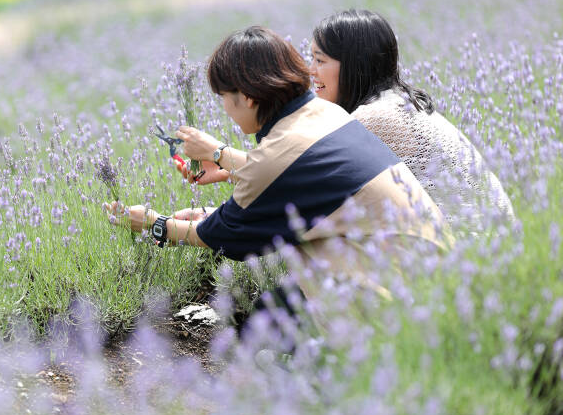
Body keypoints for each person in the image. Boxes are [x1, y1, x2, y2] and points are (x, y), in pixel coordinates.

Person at [103, 26, 450, 302]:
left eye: (224, 97)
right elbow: (294, 176)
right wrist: (223, 161)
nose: (224, 107)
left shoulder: (276, 157)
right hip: (438, 273)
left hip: (402, 302)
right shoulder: (326, 113)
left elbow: (220, 236)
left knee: (276, 307)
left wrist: (152, 223)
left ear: (248, 97)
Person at [178, 10, 513, 232]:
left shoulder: (374, 118)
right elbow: (298, 179)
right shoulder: (395, 102)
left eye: (320, 60)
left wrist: (220, 156)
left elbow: (299, 186)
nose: (310, 71)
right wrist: (227, 170)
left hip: (468, 257)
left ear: (352, 65)